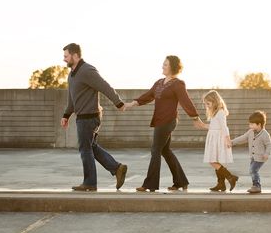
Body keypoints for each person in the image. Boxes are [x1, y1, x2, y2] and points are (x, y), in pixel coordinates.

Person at [124, 55, 203, 192]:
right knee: (165, 151)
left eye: (165, 64)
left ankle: (150, 184)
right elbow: (148, 95)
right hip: (159, 120)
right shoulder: (159, 82)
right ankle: (181, 181)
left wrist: (195, 117)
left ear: (172, 66)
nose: (162, 66)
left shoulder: (178, 84)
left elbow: (186, 101)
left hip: (168, 121)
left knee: (155, 150)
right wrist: (132, 104)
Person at [60, 43, 128, 192]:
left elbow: (104, 86)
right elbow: (72, 99)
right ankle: (117, 168)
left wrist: (118, 102)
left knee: (85, 149)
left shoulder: (87, 70)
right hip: (82, 117)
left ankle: (90, 182)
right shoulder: (72, 75)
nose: (64, 59)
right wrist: (66, 115)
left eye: (66, 56)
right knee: (91, 147)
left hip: (89, 117)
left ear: (75, 55)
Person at [197, 90, 238, 191]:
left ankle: (231, 177)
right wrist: (202, 125)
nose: (207, 105)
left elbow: (224, 127)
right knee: (215, 160)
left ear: (214, 101)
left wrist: (228, 140)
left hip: (218, 138)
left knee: (212, 161)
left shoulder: (220, 112)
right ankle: (221, 184)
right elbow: (214, 126)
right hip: (214, 137)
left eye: (208, 103)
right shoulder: (215, 112)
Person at [230, 110, 271, 193]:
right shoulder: (251, 132)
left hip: (260, 157)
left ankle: (257, 186)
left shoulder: (265, 134)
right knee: (252, 170)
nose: (250, 126)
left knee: (253, 170)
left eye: (252, 124)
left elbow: (269, 145)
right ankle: (255, 185)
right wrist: (232, 142)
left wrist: (267, 154)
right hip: (253, 157)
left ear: (259, 124)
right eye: (249, 124)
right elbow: (243, 138)